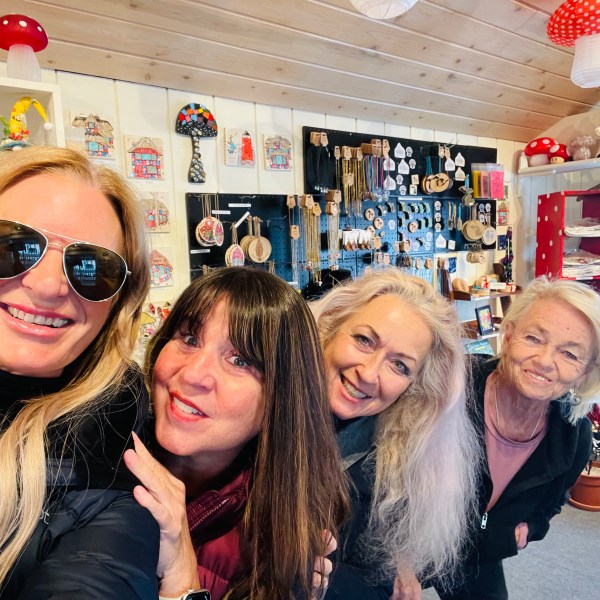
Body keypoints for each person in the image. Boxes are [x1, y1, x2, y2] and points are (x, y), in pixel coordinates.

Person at [124, 267, 348, 600]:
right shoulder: (98, 453)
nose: (192, 374)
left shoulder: (284, 535)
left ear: (282, 396)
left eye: (240, 360)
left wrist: (183, 580)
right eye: (189, 339)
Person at [0, 146, 159, 598]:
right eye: (13, 246)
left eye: (90, 268)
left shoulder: (112, 446)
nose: (48, 285)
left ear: (117, 304)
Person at [309, 268, 481, 600]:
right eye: (363, 340)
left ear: (413, 387)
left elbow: (373, 579)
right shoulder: (259, 411)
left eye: (399, 365)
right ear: (330, 327)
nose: (369, 374)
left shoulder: (390, 459)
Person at [434, 276, 599, 600]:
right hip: (406, 539)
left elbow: (554, 499)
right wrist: (401, 562)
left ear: (584, 371)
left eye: (569, 354)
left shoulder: (572, 437)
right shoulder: (449, 389)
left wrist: (528, 530)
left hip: (479, 551)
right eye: (534, 338)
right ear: (508, 336)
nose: (545, 361)